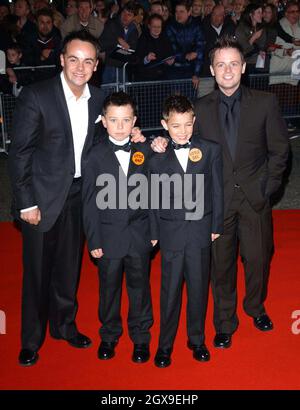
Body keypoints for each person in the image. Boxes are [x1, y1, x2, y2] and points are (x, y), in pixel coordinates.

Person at [152, 36, 289, 349]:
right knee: (220, 265)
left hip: (255, 198)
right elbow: (182, 140)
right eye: (220, 64)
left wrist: (268, 188)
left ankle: (255, 307)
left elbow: (280, 150)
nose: (227, 70)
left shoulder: (265, 102)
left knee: (258, 259)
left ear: (243, 67)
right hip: (216, 202)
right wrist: (158, 144)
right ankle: (225, 322)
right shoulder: (199, 109)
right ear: (212, 70)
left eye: (233, 64)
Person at [8, 30, 106, 367]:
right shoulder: (37, 96)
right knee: (37, 273)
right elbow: (19, 153)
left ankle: (64, 326)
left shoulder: (98, 98)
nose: (81, 67)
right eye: (74, 59)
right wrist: (26, 202)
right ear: (61, 59)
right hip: (41, 199)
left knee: (68, 268)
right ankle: (30, 340)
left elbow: (103, 143)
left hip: (79, 195)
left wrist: (136, 136)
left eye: (88, 60)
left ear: (96, 65)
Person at [150, 95, 223, 368]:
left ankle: (197, 339)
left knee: (198, 288)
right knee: (169, 292)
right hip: (170, 233)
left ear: (194, 122)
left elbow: (217, 189)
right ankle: (164, 345)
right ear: (164, 125)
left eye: (188, 125)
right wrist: (154, 231)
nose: (182, 131)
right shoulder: (156, 157)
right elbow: (152, 198)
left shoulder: (210, 149)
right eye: (176, 126)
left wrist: (215, 225)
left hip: (200, 231)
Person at [82, 92, 155, 364]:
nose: (120, 126)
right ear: (104, 121)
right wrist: (93, 238)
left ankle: (141, 337)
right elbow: (89, 202)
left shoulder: (143, 149)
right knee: (108, 289)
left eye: (126, 120)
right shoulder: (94, 156)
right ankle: (109, 334)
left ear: (134, 120)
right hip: (108, 235)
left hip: (139, 235)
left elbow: (155, 194)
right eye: (114, 120)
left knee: (140, 289)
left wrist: (154, 232)